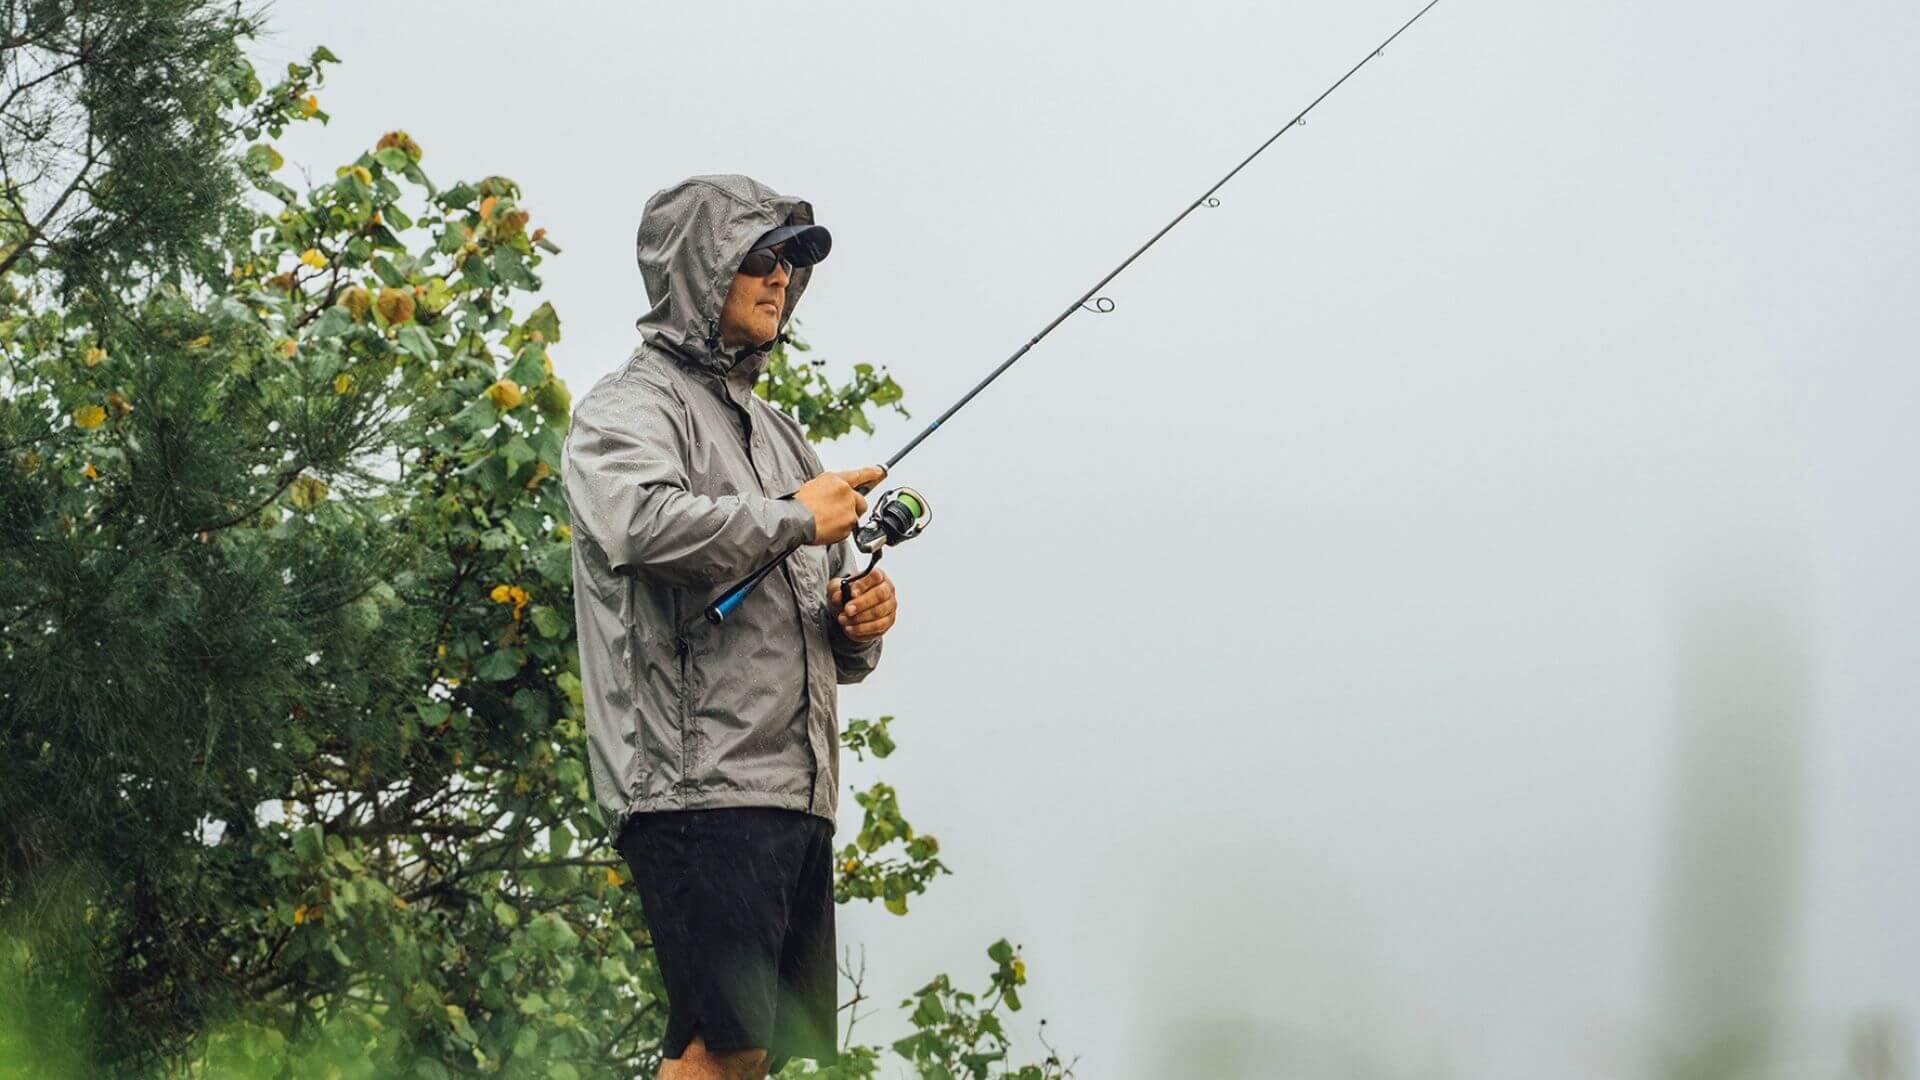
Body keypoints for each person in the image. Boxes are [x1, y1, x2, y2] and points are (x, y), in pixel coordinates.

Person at [562, 174, 899, 1080]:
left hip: (792, 793)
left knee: (748, 1052)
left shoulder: (784, 439)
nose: (779, 278)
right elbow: (638, 524)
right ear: (698, 269)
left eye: (791, 262)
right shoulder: (631, 407)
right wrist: (794, 515)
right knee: (723, 1046)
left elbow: (823, 624)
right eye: (759, 257)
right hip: (695, 785)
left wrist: (860, 620)